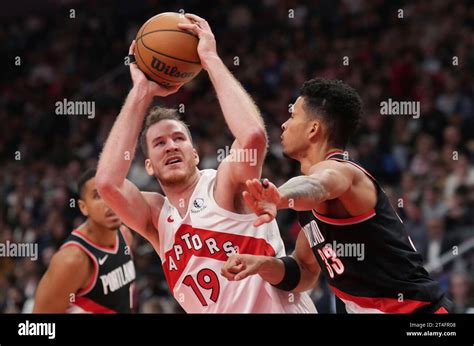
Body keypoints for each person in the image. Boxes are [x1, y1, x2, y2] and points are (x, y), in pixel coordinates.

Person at [96, 13, 315, 313]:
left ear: (195, 154)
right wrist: (140, 93)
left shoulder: (222, 185)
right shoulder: (157, 221)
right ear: (148, 166)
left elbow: (252, 137)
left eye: (178, 138)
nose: (171, 145)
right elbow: (107, 183)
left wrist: (209, 58)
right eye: (159, 143)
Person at [221, 78, 450, 313]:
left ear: (313, 129)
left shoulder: (343, 172)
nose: (284, 125)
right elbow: (305, 271)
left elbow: (318, 185)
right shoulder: (312, 209)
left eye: (293, 116)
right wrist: (261, 264)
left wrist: (280, 197)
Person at [33, 169, 135, 313]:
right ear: (83, 207)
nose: (109, 202)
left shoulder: (125, 235)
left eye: (113, 191)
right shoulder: (72, 260)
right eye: (98, 196)